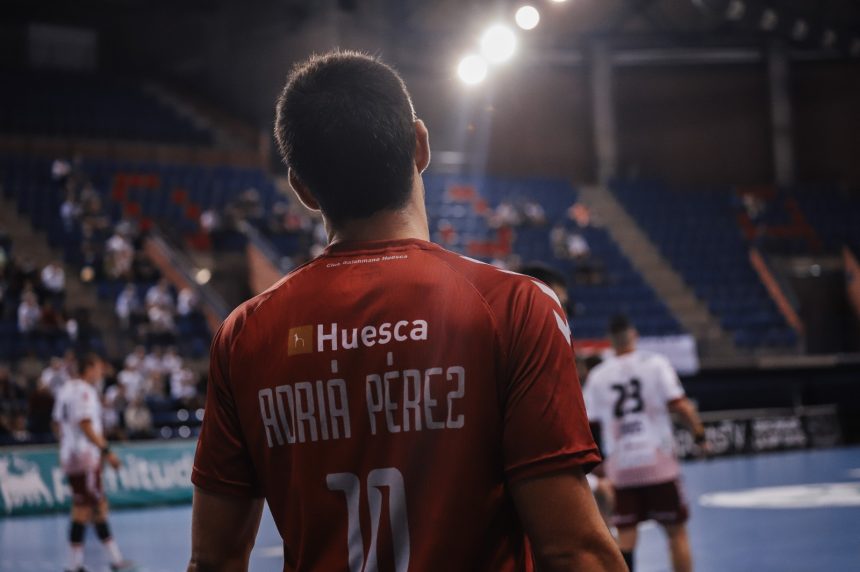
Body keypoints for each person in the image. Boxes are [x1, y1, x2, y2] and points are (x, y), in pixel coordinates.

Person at [188, 51, 625, 572]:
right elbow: (573, 551)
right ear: (420, 145)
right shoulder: (513, 307)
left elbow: (213, 561)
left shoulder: (245, 335)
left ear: (302, 189)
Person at [583, 315, 707, 572]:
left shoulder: (598, 376)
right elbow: (679, 405)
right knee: (676, 534)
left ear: (611, 342)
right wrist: (699, 435)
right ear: (634, 335)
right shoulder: (655, 363)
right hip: (658, 463)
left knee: (626, 537)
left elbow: (589, 425)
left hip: (622, 467)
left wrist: (599, 468)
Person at [52, 354, 134, 572]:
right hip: (85, 457)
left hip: (71, 456)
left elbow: (57, 424)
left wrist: (68, 444)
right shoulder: (85, 391)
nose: (100, 373)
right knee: (91, 508)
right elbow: (87, 425)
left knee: (89, 506)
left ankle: (104, 561)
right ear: (88, 368)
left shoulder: (66, 389)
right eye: (98, 368)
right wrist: (107, 452)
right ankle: (83, 564)